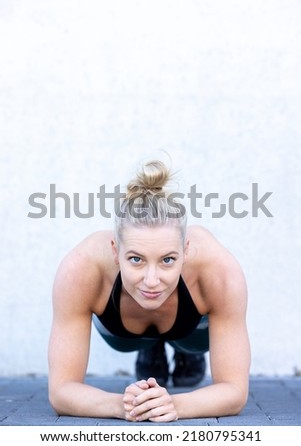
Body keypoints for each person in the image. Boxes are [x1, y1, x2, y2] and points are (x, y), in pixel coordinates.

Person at [48, 159, 250, 422]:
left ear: (185, 251)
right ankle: (151, 346)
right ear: (115, 252)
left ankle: (179, 350)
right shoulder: (81, 269)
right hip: (124, 334)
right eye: (136, 259)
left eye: (167, 260)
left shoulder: (219, 272)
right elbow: (60, 391)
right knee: (135, 337)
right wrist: (125, 404)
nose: (152, 281)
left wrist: (172, 404)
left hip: (191, 331)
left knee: (191, 343)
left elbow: (235, 392)